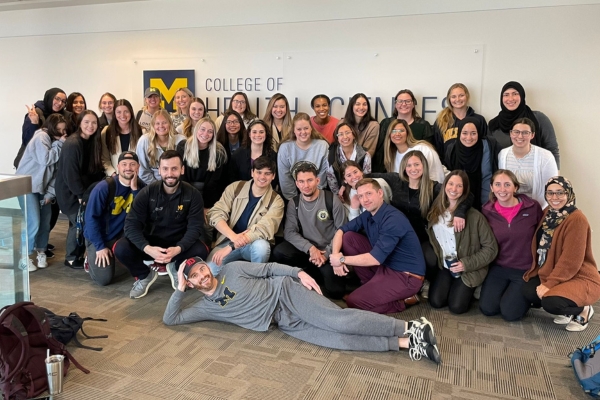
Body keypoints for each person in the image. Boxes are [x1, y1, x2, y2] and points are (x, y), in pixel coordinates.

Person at [163, 258, 441, 364]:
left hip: (287, 294)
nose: (202, 276)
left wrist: (299, 274)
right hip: (282, 322)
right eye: (195, 277)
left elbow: (270, 268)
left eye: (202, 269)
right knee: (338, 341)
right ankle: (406, 343)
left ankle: (411, 326)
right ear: (191, 282)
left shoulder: (232, 270)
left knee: (339, 322)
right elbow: (171, 318)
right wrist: (179, 289)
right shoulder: (205, 306)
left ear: (207, 268)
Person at [371, 150, 471, 299]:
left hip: (422, 237)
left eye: (417, 164)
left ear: (424, 165)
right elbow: (368, 177)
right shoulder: (395, 180)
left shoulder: (434, 187)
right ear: (404, 167)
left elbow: (468, 195)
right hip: (398, 235)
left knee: (430, 259)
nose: (413, 168)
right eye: (409, 165)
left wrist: (460, 213)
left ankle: (425, 281)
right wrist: (348, 183)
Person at [113, 150, 209, 299]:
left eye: (174, 168)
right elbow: (131, 225)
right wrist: (147, 248)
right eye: (165, 169)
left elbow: (195, 228)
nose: (169, 173)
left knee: (201, 250)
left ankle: (177, 268)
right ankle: (144, 275)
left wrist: (178, 249)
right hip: (151, 244)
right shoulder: (147, 192)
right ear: (159, 170)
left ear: (182, 170)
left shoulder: (193, 194)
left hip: (178, 245)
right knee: (120, 247)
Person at [330, 178, 426, 314]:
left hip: (406, 276)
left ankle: (403, 302)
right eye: (361, 196)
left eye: (369, 194)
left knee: (354, 302)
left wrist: (341, 260)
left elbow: (374, 259)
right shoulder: (368, 214)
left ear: (380, 193)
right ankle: (371, 287)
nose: (365, 199)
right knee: (349, 238)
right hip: (387, 265)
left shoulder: (393, 219)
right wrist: (335, 256)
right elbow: (341, 231)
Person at [522, 177, 600, 331]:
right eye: (550, 193)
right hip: (555, 271)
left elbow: (571, 261)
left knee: (551, 302)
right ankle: (567, 310)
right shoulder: (548, 213)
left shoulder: (577, 219)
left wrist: (549, 284)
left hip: (578, 274)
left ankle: (584, 310)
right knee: (528, 291)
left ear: (568, 194)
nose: (554, 198)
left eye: (560, 193)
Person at [272, 162, 348, 299]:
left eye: (309, 180)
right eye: (301, 181)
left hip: (328, 252)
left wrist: (326, 254)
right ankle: (310, 272)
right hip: (307, 252)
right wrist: (310, 248)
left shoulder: (331, 199)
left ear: (317, 180)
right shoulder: (293, 203)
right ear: (296, 184)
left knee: (336, 291)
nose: (306, 185)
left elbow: (342, 230)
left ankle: (318, 273)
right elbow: (289, 232)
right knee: (279, 251)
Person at [426, 171, 498, 314]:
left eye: (459, 186)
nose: (454, 189)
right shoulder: (435, 210)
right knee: (436, 301)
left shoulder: (475, 216)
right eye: (451, 184)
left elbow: (491, 248)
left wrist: (466, 264)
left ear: (465, 190)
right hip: (447, 265)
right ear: (445, 185)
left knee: (457, 307)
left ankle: (473, 288)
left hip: (468, 267)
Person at [480, 170, 542, 321]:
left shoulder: (532, 207)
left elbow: (542, 236)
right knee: (488, 309)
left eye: (507, 185)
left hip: (524, 269)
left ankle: (526, 297)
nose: (502, 189)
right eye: (498, 185)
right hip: (499, 267)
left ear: (515, 188)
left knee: (510, 313)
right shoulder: (486, 210)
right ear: (492, 188)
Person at [207, 156, 284, 269]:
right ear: (252, 172)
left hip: (251, 244)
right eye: (259, 172)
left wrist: (234, 245)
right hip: (227, 241)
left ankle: (255, 278)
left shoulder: (276, 201)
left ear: (273, 176)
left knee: (262, 247)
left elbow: (264, 229)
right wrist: (233, 237)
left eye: (267, 173)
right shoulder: (235, 187)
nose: (262, 177)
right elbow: (215, 214)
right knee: (210, 270)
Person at [83, 151, 145, 286]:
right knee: (104, 280)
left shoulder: (141, 187)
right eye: (124, 164)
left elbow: (145, 214)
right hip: (101, 237)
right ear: (118, 167)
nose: (128, 168)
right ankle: (90, 255)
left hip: (122, 234)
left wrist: (135, 190)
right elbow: (91, 219)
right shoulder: (104, 187)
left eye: (132, 164)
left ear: (138, 167)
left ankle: (119, 255)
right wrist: (99, 247)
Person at [16, 114, 68, 271]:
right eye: (59, 128)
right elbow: (46, 159)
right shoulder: (41, 136)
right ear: (51, 126)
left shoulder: (57, 142)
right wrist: (60, 144)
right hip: (26, 186)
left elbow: (57, 172)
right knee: (33, 222)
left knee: (45, 223)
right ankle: (24, 257)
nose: (62, 132)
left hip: (43, 188)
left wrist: (50, 194)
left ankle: (41, 251)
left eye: (64, 129)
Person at [55, 110, 105, 269]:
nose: (91, 126)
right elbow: (71, 174)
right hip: (70, 192)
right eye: (87, 122)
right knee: (79, 222)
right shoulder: (73, 143)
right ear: (80, 124)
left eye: (94, 123)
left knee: (78, 222)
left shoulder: (92, 140)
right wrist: (79, 194)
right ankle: (71, 258)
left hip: (83, 190)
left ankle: (75, 255)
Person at [488, 81, 560, 168]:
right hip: (504, 177)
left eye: (515, 94)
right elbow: (490, 156)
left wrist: (554, 178)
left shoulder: (538, 118)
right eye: (506, 95)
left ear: (522, 96)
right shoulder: (494, 125)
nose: (510, 99)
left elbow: (552, 149)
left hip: (536, 175)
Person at [177, 117, 228, 231]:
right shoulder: (183, 146)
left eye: (210, 131)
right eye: (202, 129)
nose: (205, 134)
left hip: (209, 196)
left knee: (206, 225)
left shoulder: (219, 152)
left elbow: (214, 183)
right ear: (196, 130)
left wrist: (206, 207)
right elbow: (182, 177)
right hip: (185, 192)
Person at [498, 118, 558, 208]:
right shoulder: (502, 155)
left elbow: (551, 188)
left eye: (525, 133)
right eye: (516, 132)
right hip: (509, 208)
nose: (520, 136)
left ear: (532, 135)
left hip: (537, 209)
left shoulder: (545, 156)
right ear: (510, 133)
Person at [445, 116, 499, 210]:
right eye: (464, 133)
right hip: (458, 204)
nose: (469, 138)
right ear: (459, 133)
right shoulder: (452, 150)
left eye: (473, 133)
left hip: (487, 204)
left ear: (479, 133)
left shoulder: (489, 146)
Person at [375, 89, 434, 172]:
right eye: (400, 101)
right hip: (389, 171)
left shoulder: (423, 125)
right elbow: (380, 152)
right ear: (395, 104)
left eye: (408, 101)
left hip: (415, 172)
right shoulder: (386, 123)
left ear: (413, 104)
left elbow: (428, 155)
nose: (404, 104)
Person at [277, 113, 329, 200]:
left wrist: (313, 198)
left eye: (306, 128)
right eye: (299, 129)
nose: (303, 132)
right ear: (293, 130)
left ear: (311, 128)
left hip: (317, 194)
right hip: (293, 195)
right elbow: (285, 179)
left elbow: (322, 176)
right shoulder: (285, 148)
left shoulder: (322, 146)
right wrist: (294, 201)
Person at [16, 87, 70, 168]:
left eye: (63, 101)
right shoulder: (36, 113)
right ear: (50, 97)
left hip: (48, 163)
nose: (59, 103)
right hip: (32, 165)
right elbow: (28, 140)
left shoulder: (63, 116)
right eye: (57, 99)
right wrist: (34, 124)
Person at [433, 83, 488, 160]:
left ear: (467, 96)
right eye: (453, 96)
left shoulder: (479, 120)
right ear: (449, 99)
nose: (458, 99)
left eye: (461, 95)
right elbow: (437, 148)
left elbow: (485, 148)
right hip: (449, 169)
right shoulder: (441, 121)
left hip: (474, 167)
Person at [137, 109, 186, 184]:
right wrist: (158, 187)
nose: (161, 126)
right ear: (153, 125)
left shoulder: (181, 140)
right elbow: (142, 171)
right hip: (152, 185)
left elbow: (185, 169)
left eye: (164, 123)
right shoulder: (144, 141)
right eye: (157, 123)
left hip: (177, 184)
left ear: (170, 124)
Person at [228, 119, 278, 187]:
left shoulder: (273, 156)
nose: (258, 135)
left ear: (266, 134)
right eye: (254, 132)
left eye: (261, 132)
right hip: (240, 193)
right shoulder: (238, 155)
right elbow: (232, 179)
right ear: (249, 134)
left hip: (265, 193)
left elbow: (274, 180)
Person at [326, 123, 371, 196]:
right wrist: (338, 196)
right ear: (337, 138)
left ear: (353, 135)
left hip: (361, 192)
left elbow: (366, 178)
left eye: (347, 133)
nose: (345, 137)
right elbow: (331, 180)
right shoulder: (331, 155)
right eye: (340, 134)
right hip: (340, 194)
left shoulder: (365, 155)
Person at [101, 99, 143, 177]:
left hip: (137, 177)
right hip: (115, 177)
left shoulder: (142, 131)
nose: (123, 115)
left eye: (126, 112)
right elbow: (105, 159)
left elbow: (144, 159)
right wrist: (113, 174)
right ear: (114, 114)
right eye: (119, 112)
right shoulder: (107, 132)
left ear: (131, 113)